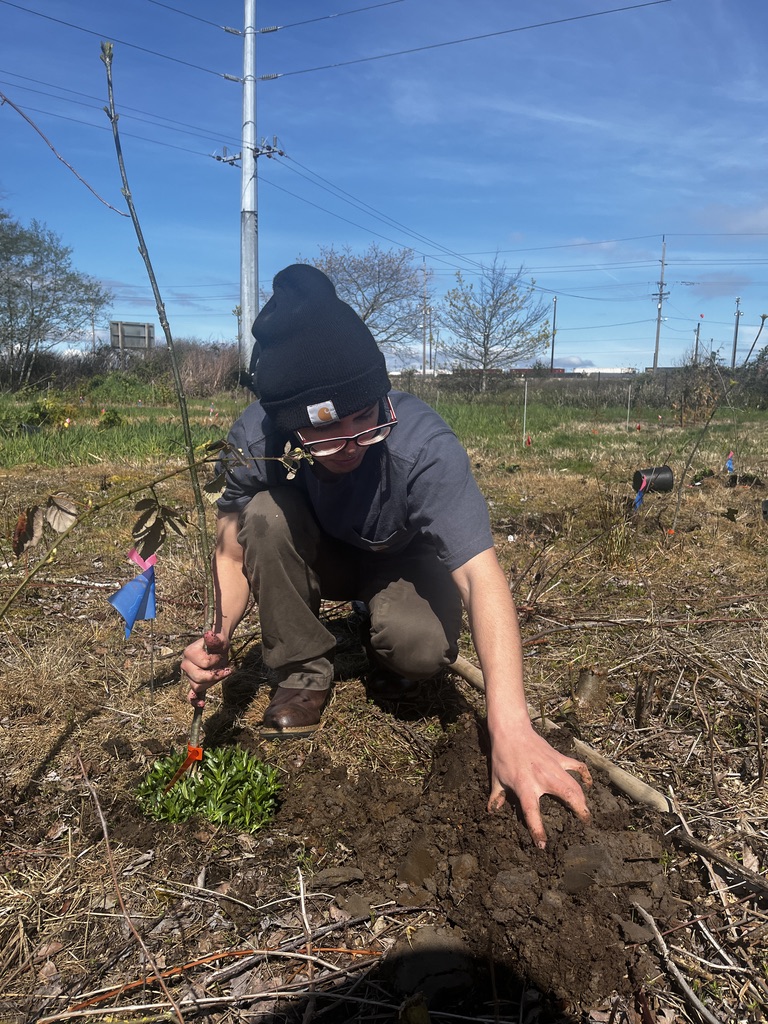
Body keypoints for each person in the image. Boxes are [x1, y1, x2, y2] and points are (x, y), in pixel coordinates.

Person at [182, 264, 591, 848]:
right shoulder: (256, 439)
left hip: (402, 562)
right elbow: (230, 546)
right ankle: (302, 670)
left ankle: (384, 647)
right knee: (264, 517)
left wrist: (512, 727)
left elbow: (480, 575)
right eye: (326, 430)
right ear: (287, 425)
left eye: (364, 419)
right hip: (316, 552)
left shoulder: (423, 445)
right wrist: (217, 631)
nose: (350, 443)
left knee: (419, 648)